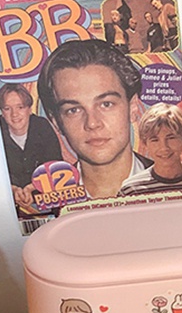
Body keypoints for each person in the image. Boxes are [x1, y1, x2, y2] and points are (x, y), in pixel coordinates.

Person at [38, 38, 152, 200]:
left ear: (132, 107)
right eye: (73, 110)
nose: (92, 123)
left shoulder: (181, 183)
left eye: (106, 104)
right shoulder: (40, 202)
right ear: (56, 122)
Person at [0, 83, 62, 210]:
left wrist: (31, 188)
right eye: (7, 108)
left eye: (20, 107)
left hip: (44, 193)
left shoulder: (42, 127)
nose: (14, 114)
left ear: (29, 109)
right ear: (2, 112)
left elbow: (55, 167)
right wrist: (13, 189)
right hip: (7, 197)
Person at [118, 102, 182, 200]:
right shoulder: (132, 190)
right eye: (155, 140)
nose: (164, 147)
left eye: (171, 138)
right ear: (145, 144)